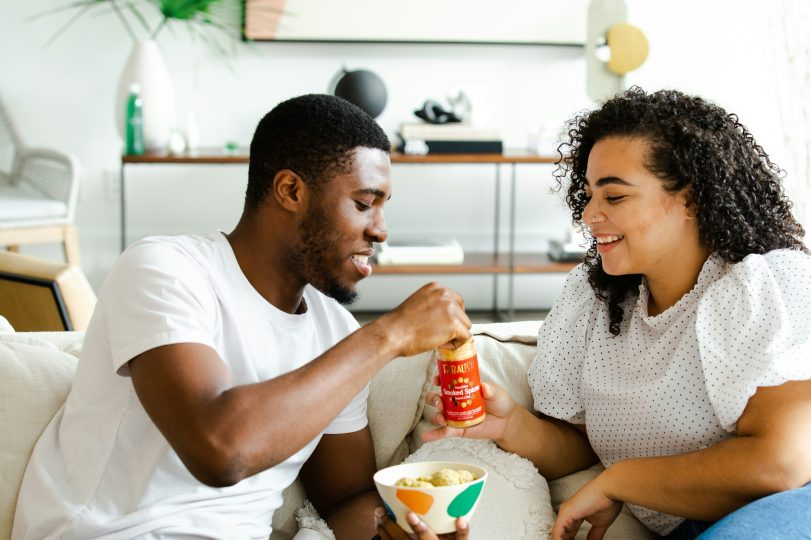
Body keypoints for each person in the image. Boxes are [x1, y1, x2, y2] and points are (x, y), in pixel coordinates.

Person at [424, 87, 811, 539]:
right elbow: (581, 443)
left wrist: (622, 481)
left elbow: (784, 462)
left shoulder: (769, 281)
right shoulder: (594, 302)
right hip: (712, 523)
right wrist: (511, 425)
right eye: (587, 194)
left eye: (614, 196)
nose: (589, 214)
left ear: (692, 199)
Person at [13, 94, 472, 540]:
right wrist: (390, 334)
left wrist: (399, 526)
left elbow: (346, 499)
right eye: (363, 203)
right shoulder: (165, 270)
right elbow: (220, 450)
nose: (381, 229)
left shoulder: (335, 333)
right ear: (291, 190)